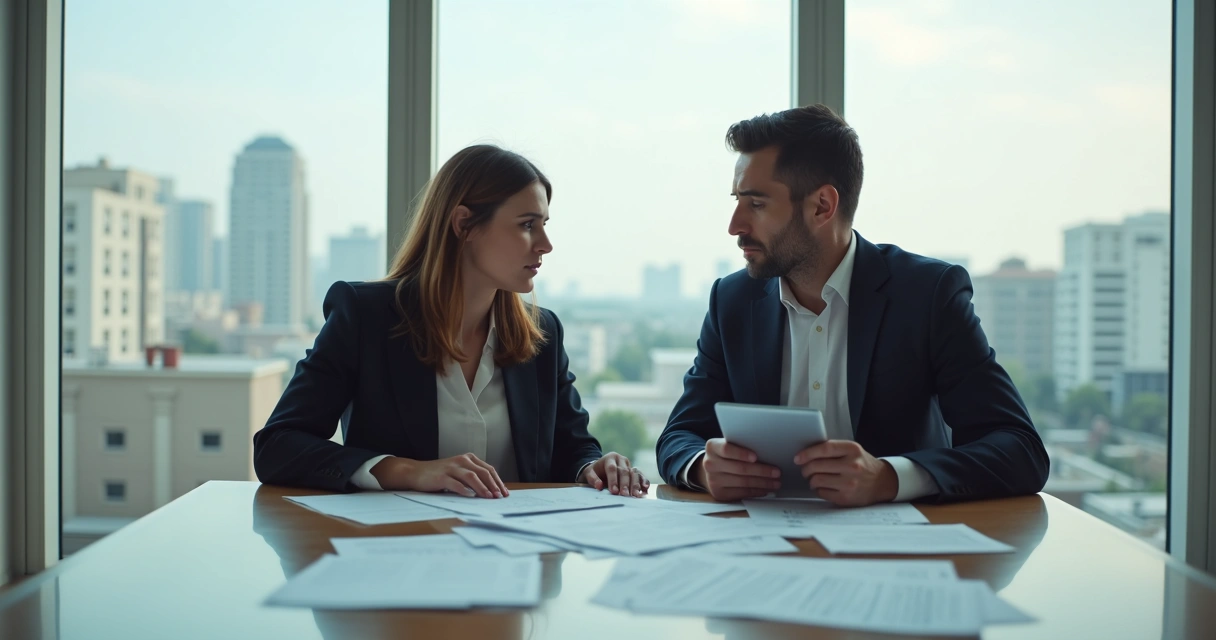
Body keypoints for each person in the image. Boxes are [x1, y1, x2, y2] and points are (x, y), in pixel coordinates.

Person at [656, 104, 1048, 505]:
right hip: (762, 546)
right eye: (737, 199)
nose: (734, 225)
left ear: (822, 206)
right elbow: (678, 437)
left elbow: (1020, 451)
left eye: (756, 204)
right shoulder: (732, 301)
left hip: (898, 553)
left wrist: (890, 477)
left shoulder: (927, 295)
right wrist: (702, 467)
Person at [254, 144, 649, 499]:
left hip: (518, 563)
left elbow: (571, 446)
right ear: (463, 224)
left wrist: (591, 468)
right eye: (528, 225)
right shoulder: (366, 316)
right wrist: (408, 471)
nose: (545, 244)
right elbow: (277, 446)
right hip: (399, 555)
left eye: (545, 225)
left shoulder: (542, 334)